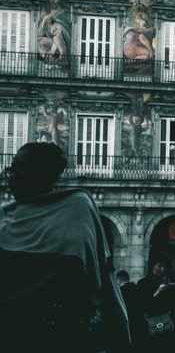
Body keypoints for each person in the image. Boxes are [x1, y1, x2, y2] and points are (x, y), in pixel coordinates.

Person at [0, 141, 130, 353]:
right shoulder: (4, 215)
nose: (11, 176)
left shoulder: (77, 208)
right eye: (10, 169)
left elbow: (104, 276)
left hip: (61, 337)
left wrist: (120, 330)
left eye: (19, 169)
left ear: (42, 173)